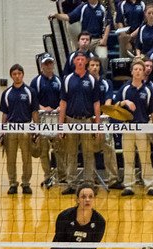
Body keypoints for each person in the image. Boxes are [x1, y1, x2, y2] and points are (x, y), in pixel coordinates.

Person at [59, 51, 102, 196]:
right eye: (78, 59)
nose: (80, 62)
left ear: (86, 62)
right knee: (71, 153)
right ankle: (71, 183)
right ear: (74, 62)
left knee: (88, 153)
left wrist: (97, 125)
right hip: (71, 120)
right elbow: (63, 103)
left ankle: (89, 182)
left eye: (82, 59)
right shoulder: (67, 79)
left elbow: (96, 103)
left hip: (87, 120)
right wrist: (61, 126)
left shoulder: (92, 80)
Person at [115, 58, 153, 197]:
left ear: (143, 72)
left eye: (140, 69)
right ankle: (129, 185)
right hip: (127, 127)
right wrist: (124, 102)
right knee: (128, 157)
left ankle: (149, 185)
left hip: (143, 127)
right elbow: (115, 106)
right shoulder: (125, 88)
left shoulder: (148, 90)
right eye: (136, 69)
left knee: (145, 157)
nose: (138, 71)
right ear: (132, 72)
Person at [0, 64, 39, 196]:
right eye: (14, 74)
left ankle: (26, 183)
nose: (17, 76)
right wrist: (2, 131)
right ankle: (12, 183)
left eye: (19, 74)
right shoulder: (7, 93)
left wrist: (36, 129)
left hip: (26, 128)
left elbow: (34, 112)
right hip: (11, 129)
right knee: (11, 158)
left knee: (26, 158)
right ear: (11, 76)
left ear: (23, 74)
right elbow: (4, 114)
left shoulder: (30, 91)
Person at [30, 54, 66, 190]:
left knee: (59, 148)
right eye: (46, 64)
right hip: (42, 118)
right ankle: (47, 176)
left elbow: (63, 99)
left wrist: (58, 108)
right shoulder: (36, 82)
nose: (49, 66)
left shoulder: (59, 81)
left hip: (56, 118)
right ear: (42, 66)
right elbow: (33, 101)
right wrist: (43, 108)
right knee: (44, 149)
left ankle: (62, 176)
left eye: (50, 63)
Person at [87, 55, 121, 189]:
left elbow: (108, 101)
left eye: (97, 65)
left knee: (109, 147)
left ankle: (113, 179)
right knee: (88, 149)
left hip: (103, 119)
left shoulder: (106, 83)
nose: (95, 68)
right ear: (88, 67)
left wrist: (101, 117)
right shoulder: (85, 83)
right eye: (92, 65)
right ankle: (91, 180)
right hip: (88, 120)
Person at [51, 0, 111, 70]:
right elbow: (69, 17)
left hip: (98, 40)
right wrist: (56, 15)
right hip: (86, 40)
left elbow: (108, 24)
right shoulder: (83, 7)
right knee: (81, 58)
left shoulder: (103, 8)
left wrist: (104, 39)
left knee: (102, 57)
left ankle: (100, 78)